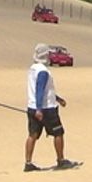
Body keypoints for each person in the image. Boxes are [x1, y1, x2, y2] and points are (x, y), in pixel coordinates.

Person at [25, 43, 77, 172]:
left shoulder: (33, 68)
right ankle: (60, 160)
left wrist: (58, 99)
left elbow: (45, 90)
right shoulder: (43, 71)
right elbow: (40, 90)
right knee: (58, 133)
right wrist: (39, 109)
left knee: (33, 134)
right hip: (46, 108)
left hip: (32, 106)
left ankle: (28, 162)